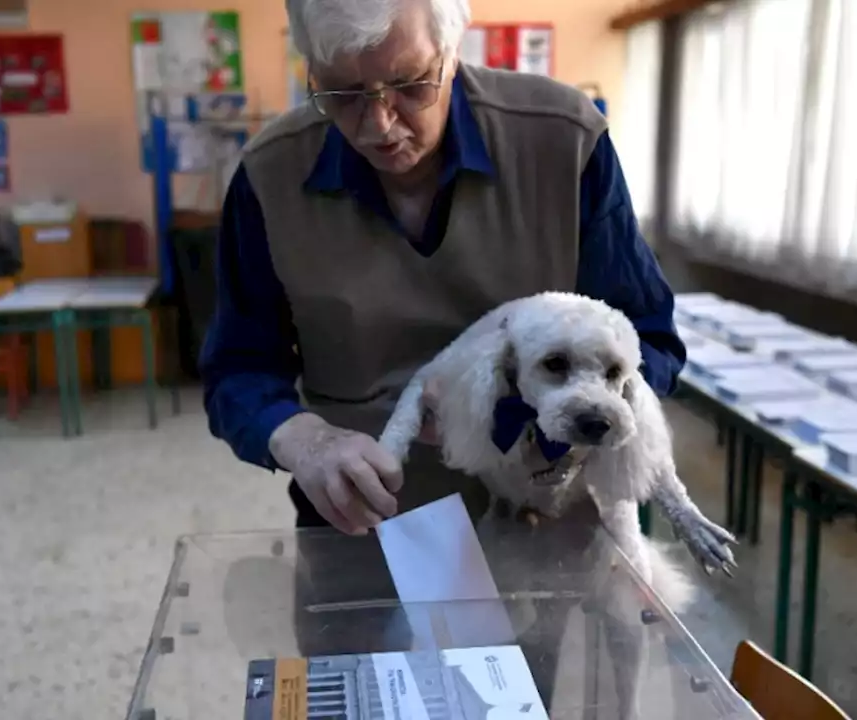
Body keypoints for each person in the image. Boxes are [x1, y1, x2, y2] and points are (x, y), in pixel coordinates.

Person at [199, 0, 687, 696]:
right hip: (368, 518)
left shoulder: (562, 141)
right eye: (341, 93)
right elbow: (239, 367)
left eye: (409, 83)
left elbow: (651, 339)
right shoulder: (271, 175)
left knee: (535, 699)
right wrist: (304, 442)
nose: (379, 124)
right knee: (367, 700)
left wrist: (571, 421)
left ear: (452, 51)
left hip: (547, 520)